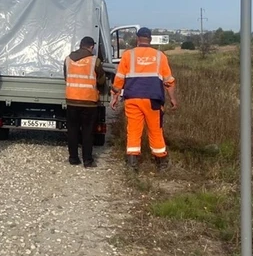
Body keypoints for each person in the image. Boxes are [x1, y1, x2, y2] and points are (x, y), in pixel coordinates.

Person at [110, 27, 177, 171]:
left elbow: (119, 79)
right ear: (150, 39)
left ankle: (132, 163)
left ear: (137, 39)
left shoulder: (128, 55)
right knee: (155, 130)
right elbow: (169, 80)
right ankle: (162, 162)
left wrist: (114, 96)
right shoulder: (160, 56)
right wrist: (172, 99)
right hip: (153, 99)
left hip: (132, 98)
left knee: (133, 130)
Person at [63, 36, 107, 168]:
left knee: (72, 130)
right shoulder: (95, 61)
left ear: (80, 45)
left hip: (72, 100)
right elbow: (101, 80)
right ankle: (87, 161)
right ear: (91, 47)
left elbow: (66, 77)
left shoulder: (68, 59)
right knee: (87, 132)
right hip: (88, 101)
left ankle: (73, 158)